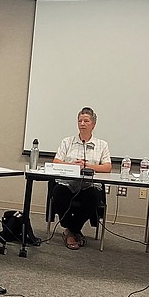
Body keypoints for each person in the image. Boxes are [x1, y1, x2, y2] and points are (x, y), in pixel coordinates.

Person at [51, 107, 111, 250]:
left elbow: (107, 167)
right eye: (80, 121)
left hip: (89, 185)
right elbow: (56, 162)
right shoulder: (67, 142)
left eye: (86, 121)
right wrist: (72, 165)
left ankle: (70, 231)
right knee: (58, 193)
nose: (82, 123)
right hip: (68, 183)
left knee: (93, 197)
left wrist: (88, 166)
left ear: (93, 124)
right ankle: (72, 229)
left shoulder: (102, 145)